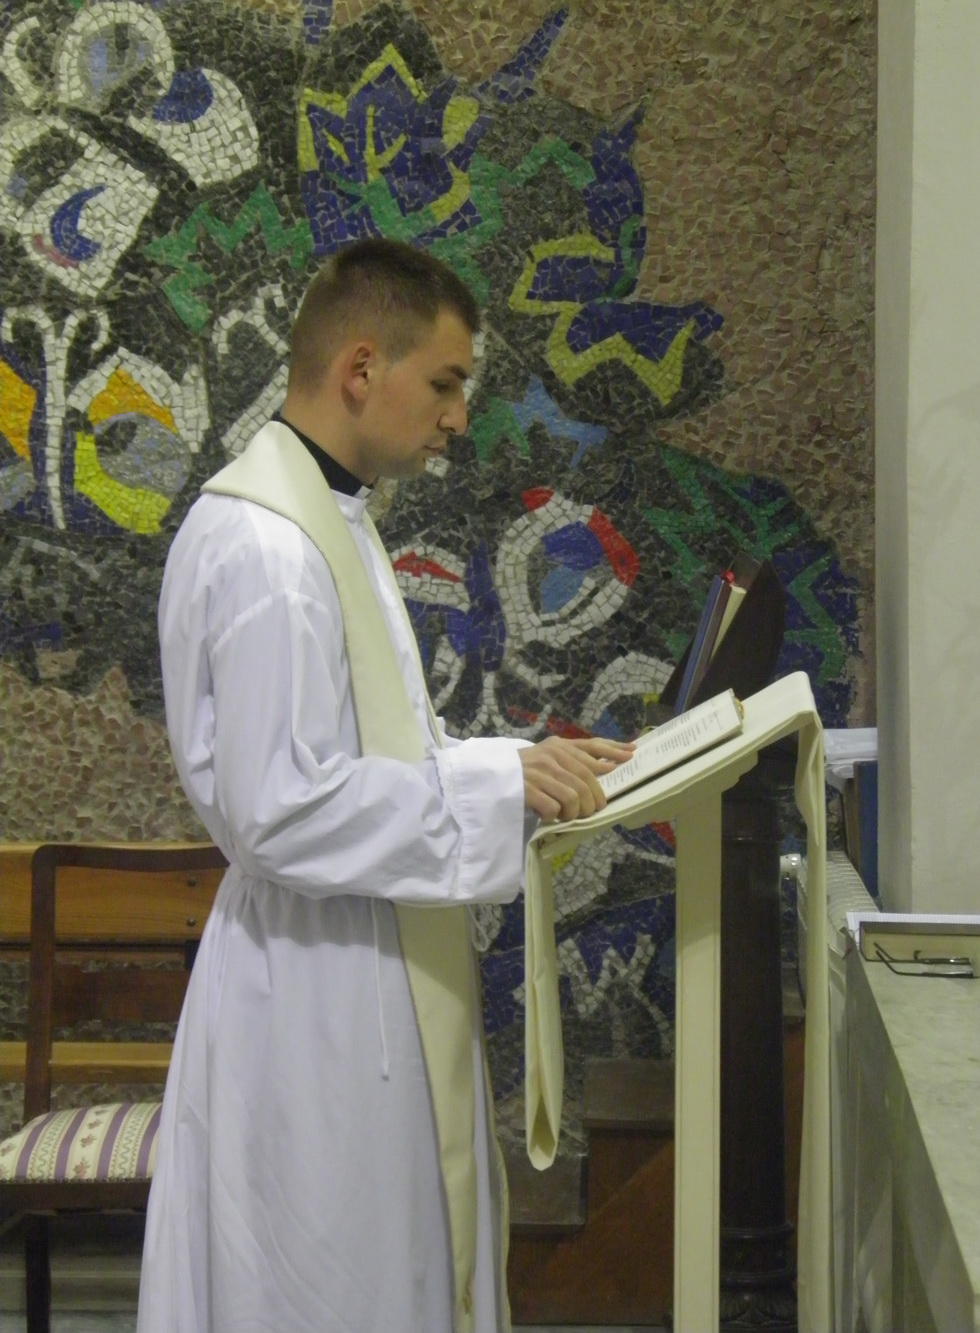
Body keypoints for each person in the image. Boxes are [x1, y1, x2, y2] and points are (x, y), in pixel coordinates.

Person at [138, 238, 632, 1333]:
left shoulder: (333, 521)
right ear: (362, 367)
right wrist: (498, 790)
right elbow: (283, 809)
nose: (458, 417)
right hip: (316, 996)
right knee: (331, 1281)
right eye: (446, 383)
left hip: (354, 964)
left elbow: (376, 747)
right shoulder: (270, 550)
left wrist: (518, 766)